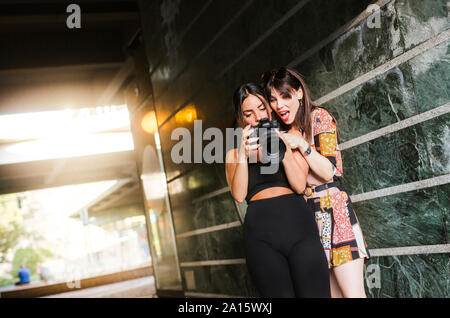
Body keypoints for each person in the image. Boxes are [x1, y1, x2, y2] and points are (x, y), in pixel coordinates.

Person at [261, 67, 370, 298]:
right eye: (273, 100)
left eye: (285, 96)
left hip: (336, 215)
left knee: (353, 295)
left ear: (299, 93)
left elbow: (329, 171)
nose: (279, 105)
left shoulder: (318, 117)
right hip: (309, 222)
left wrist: (301, 144)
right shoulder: (283, 132)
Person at [225, 82, 330, 298]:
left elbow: (300, 185)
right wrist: (244, 156)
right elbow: (239, 195)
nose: (258, 117)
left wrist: (281, 146)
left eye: (262, 108)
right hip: (262, 236)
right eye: (249, 113)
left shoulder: (290, 138)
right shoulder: (234, 155)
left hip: (299, 227)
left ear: (270, 108)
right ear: (241, 119)